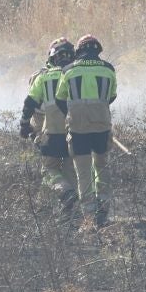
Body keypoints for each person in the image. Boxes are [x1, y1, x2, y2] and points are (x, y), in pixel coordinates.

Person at [58, 34, 118, 226]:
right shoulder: (109, 70)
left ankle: (90, 216)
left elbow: (61, 99)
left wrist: (72, 115)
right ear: (98, 50)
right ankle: (104, 207)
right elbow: (111, 97)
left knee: (83, 171)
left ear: (79, 51)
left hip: (78, 128)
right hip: (102, 126)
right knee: (102, 165)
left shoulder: (68, 71)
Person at [20, 38, 77, 212]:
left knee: (48, 169)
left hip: (51, 132)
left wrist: (24, 125)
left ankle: (64, 193)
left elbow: (31, 104)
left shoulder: (42, 76)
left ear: (51, 57)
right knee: (70, 170)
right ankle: (70, 210)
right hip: (76, 132)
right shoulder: (78, 74)